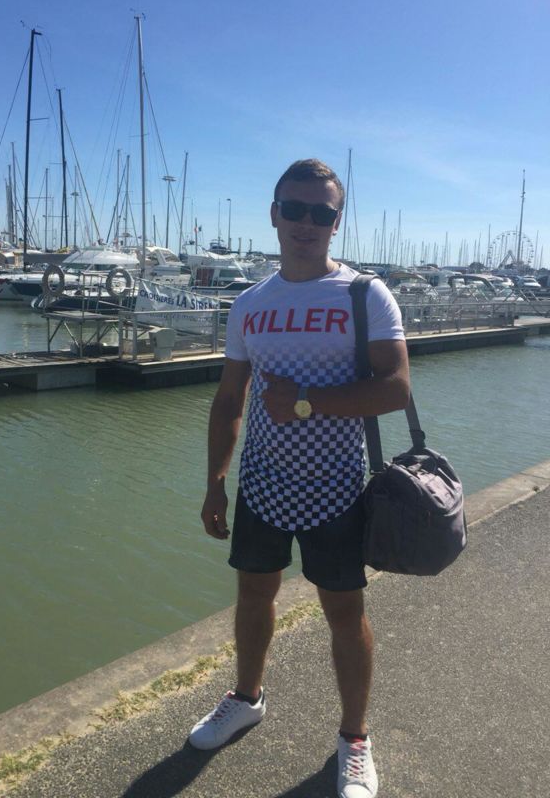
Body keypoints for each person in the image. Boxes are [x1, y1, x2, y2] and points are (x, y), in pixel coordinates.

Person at [188, 159, 410, 798]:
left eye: (322, 213)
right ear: (274, 214)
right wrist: (215, 481)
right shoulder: (251, 303)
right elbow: (230, 400)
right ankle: (246, 698)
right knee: (253, 594)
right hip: (261, 482)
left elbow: (395, 389)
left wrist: (308, 401)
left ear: (336, 222)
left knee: (343, 610)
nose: (306, 223)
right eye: (295, 209)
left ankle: (355, 739)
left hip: (338, 485)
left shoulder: (364, 296)